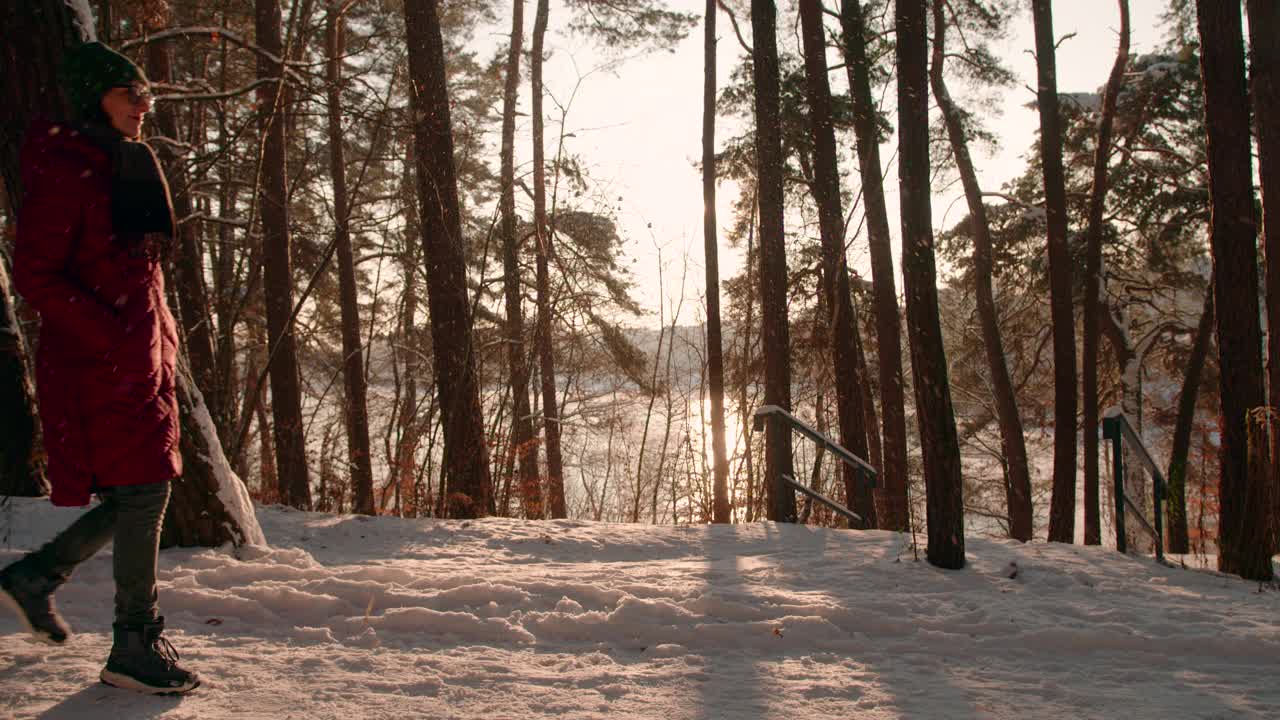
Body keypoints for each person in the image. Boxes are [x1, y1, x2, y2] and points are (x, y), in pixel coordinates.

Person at [0, 41, 199, 695]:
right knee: (144, 491)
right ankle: (131, 646)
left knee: (139, 491)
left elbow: (137, 275)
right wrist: (113, 342)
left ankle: (38, 577)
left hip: (137, 358)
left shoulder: (121, 161)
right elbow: (35, 271)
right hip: (100, 364)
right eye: (128, 92)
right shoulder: (69, 170)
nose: (143, 104)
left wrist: (156, 347)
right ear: (96, 98)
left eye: (148, 94)